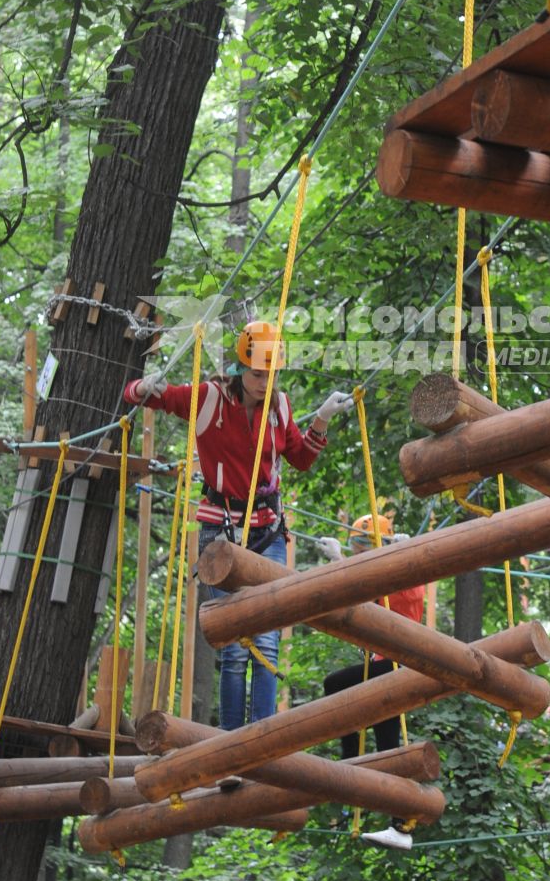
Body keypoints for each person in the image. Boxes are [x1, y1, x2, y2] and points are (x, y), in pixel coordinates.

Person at [124, 320, 352, 733]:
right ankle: (232, 741)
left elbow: (299, 458)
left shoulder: (279, 407)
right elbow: (148, 398)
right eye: (257, 374)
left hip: (267, 530)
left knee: (266, 640)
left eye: (271, 375)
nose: (264, 383)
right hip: (221, 530)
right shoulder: (209, 400)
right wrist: (144, 388)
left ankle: (259, 741)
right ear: (239, 368)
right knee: (233, 646)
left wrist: (320, 420)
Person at [316, 511, 423, 851]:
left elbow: (361, 593)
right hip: (388, 667)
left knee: (338, 687)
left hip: (396, 667)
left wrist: (339, 561)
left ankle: (355, 773)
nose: (357, 556)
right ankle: (400, 822)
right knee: (387, 742)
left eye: (358, 550)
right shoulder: (387, 569)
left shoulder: (400, 573)